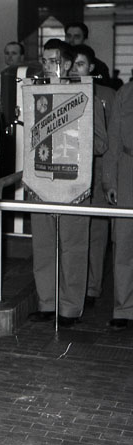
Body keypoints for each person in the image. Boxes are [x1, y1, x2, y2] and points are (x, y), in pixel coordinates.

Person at [28, 40, 107, 327]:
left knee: (73, 247)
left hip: (74, 183)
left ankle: (70, 308)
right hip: (41, 182)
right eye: (44, 61)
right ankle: (47, 303)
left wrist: (73, 138)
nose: (47, 66)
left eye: (54, 61)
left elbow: (101, 143)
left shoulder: (86, 95)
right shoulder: (35, 95)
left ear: (69, 64)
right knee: (44, 246)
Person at [70, 45, 115, 308]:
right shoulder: (62, 92)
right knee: (73, 234)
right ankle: (74, 286)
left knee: (96, 233)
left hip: (98, 170)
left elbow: (112, 140)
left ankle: (92, 288)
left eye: (81, 64)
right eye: (72, 64)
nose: (75, 70)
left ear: (92, 67)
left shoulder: (107, 95)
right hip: (70, 171)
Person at [102, 81, 133, 330]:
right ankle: (124, 308)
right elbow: (112, 140)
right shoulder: (126, 93)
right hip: (127, 170)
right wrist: (110, 181)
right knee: (123, 242)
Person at [64, 22, 111, 87]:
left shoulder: (99, 66)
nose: (71, 40)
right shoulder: (60, 62)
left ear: (85, 40)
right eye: (68, 36)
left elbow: (103, 90)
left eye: (76, 37)